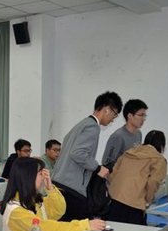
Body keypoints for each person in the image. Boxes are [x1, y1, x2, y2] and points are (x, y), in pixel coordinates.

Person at [0, 157, 106, 231]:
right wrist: (85, 225)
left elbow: (58, 210)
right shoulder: (16, 211)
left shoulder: (34, 200)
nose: (44, 177)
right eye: (41, 174)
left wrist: (50, 188)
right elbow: (45, 229)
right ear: (28, 177)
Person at [52, 91, 123, 221]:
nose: (113, 118)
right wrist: (97, 168)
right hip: (72, 189)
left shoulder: (80, 125)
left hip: (59, 185)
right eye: (115, 114)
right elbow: (78, 153)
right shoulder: (93, 127)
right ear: (107, 109)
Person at [108, 130, 168, 225]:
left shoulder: (128, 153)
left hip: (114, 201)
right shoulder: (159, 160)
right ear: (162, 146)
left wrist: (117, 190)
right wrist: (148, 199)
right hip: (134, 205)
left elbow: (112, 174)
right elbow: (153, 182)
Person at [102, 99, 148, 166]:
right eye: (141, 115)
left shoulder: (138, 134)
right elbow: (106, 163)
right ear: (129, 116)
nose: (143, 119)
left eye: (144, 116)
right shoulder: (118, 136)